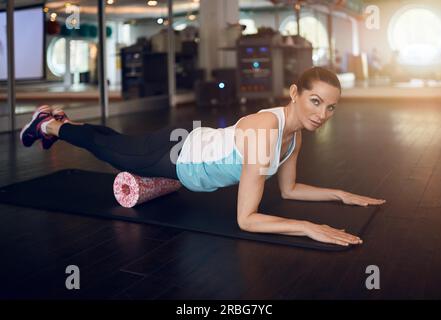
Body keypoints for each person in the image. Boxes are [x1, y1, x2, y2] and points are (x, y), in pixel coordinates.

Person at [20, 67, 386, 247]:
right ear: (294, 93)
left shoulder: (293, 138)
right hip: (177, 157)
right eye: (316, 102)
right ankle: (50, 127)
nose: (322, 114)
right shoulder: (265, 131)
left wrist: (339, 194)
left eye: (331, 108)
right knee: (111, 151)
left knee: (117, 142)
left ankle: (63, 121)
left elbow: (289, 190)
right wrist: (307, 227)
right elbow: (247, 219)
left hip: (188, 143)